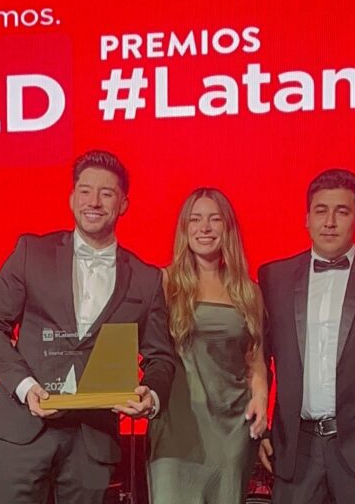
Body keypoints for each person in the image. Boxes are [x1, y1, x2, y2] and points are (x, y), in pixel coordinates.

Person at [0, 149, 176, 504]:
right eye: (85, 191)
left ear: (124, 204)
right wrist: (25, 387)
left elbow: (160, 357)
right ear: (71, 198)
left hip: (92, 439)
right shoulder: (31, 252)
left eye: (106, 193)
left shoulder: (146, 279)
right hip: (23, 429)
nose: (93, 202)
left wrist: (151, 395)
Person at [257, 169, 355, 503]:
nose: (329, 222)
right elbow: (258, 361)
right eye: (321, 211)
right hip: (295, 451)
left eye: (342, 212)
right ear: (306, 219)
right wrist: (259, 432)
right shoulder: (274, 277)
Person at [147, 187, 269, 503]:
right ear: (184, 228)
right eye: (195, 219)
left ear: (227, 228)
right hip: (176, 431)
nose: (204, 228)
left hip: (232, 431)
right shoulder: (165, 283)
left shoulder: (248, 291)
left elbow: (255, 360)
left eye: (214, 219)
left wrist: (261, 398)